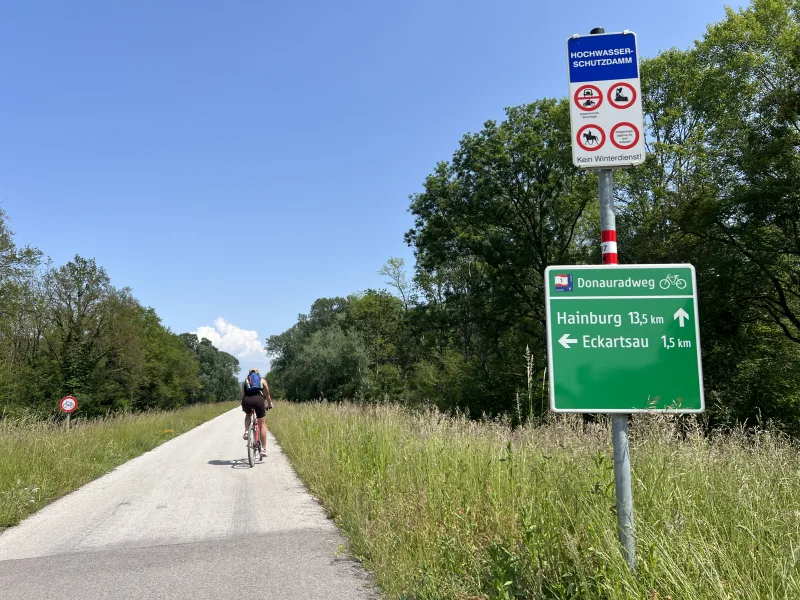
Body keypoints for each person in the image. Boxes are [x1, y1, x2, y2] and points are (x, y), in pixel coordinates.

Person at [241, 368, 272, 457]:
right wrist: (269, 404)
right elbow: (267, 394)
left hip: (246, 401)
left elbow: (243, 395)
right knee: (262, 425)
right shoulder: (262, 380)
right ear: (258, 373)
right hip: (258, 401)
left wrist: (245, 404)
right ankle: (263, 449)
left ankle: (247, 431)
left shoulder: (245, 381)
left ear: (249, 373)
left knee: (248, 415)